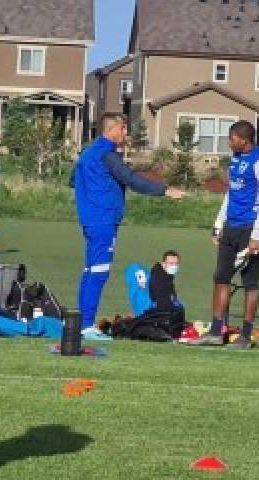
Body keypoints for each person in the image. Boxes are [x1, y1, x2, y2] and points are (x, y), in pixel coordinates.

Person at [72, 113, 186, 341]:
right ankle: (85, 326)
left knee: (91, 271)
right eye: (123, 129)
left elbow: (73, 180)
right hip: (103, 220)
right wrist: (165, 190)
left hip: (91, 219)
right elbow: (131, 179)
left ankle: (81, 322)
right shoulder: (107, 154)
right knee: (98, 272)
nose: (125, 133)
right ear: (112, 129)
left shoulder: (88, 153)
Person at [193, 121, 259, 349]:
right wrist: (218, 224)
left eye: (231, 139)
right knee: (221, 278)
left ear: (243, 139)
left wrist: (257, 235)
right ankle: (215, 331)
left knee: (250, 283)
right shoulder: (235, 158)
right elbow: (231, 194)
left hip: (251, 229)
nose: (229, 143)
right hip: (231, 227)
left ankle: (245, 336)